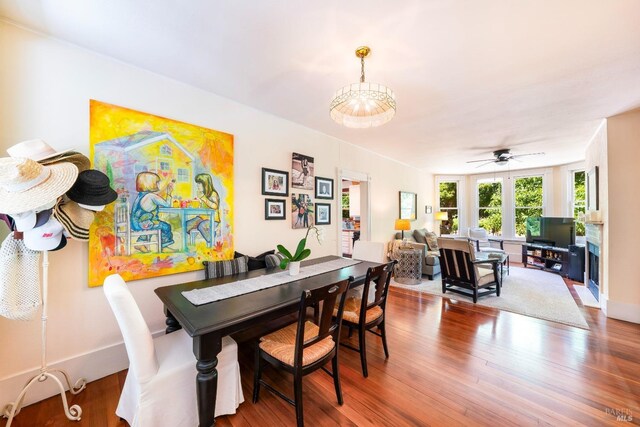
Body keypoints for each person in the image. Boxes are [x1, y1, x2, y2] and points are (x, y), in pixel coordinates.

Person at [130, 172, 174, 251]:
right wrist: (169, 194)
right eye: (157, 182)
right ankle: (164, 246)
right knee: (166, 226)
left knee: (151, 224)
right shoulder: (151, 196)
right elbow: (167, 204)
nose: (158, 184)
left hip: (135, 224)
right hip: (143, 224)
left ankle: (140, 243)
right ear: (150, 183)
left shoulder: (140, 195)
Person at [186, 173, 220, 245]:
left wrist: (204, 198)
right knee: (186, 225)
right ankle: (191, 243)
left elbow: (215, 206)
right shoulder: (202, 193)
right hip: (202, 218)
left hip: (212, 219)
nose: (197, 186)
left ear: (206, 184)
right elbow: (203, 207)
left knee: (201, 225)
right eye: (197, 184)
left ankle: (211, 238)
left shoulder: (212, 194)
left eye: (199, 184)